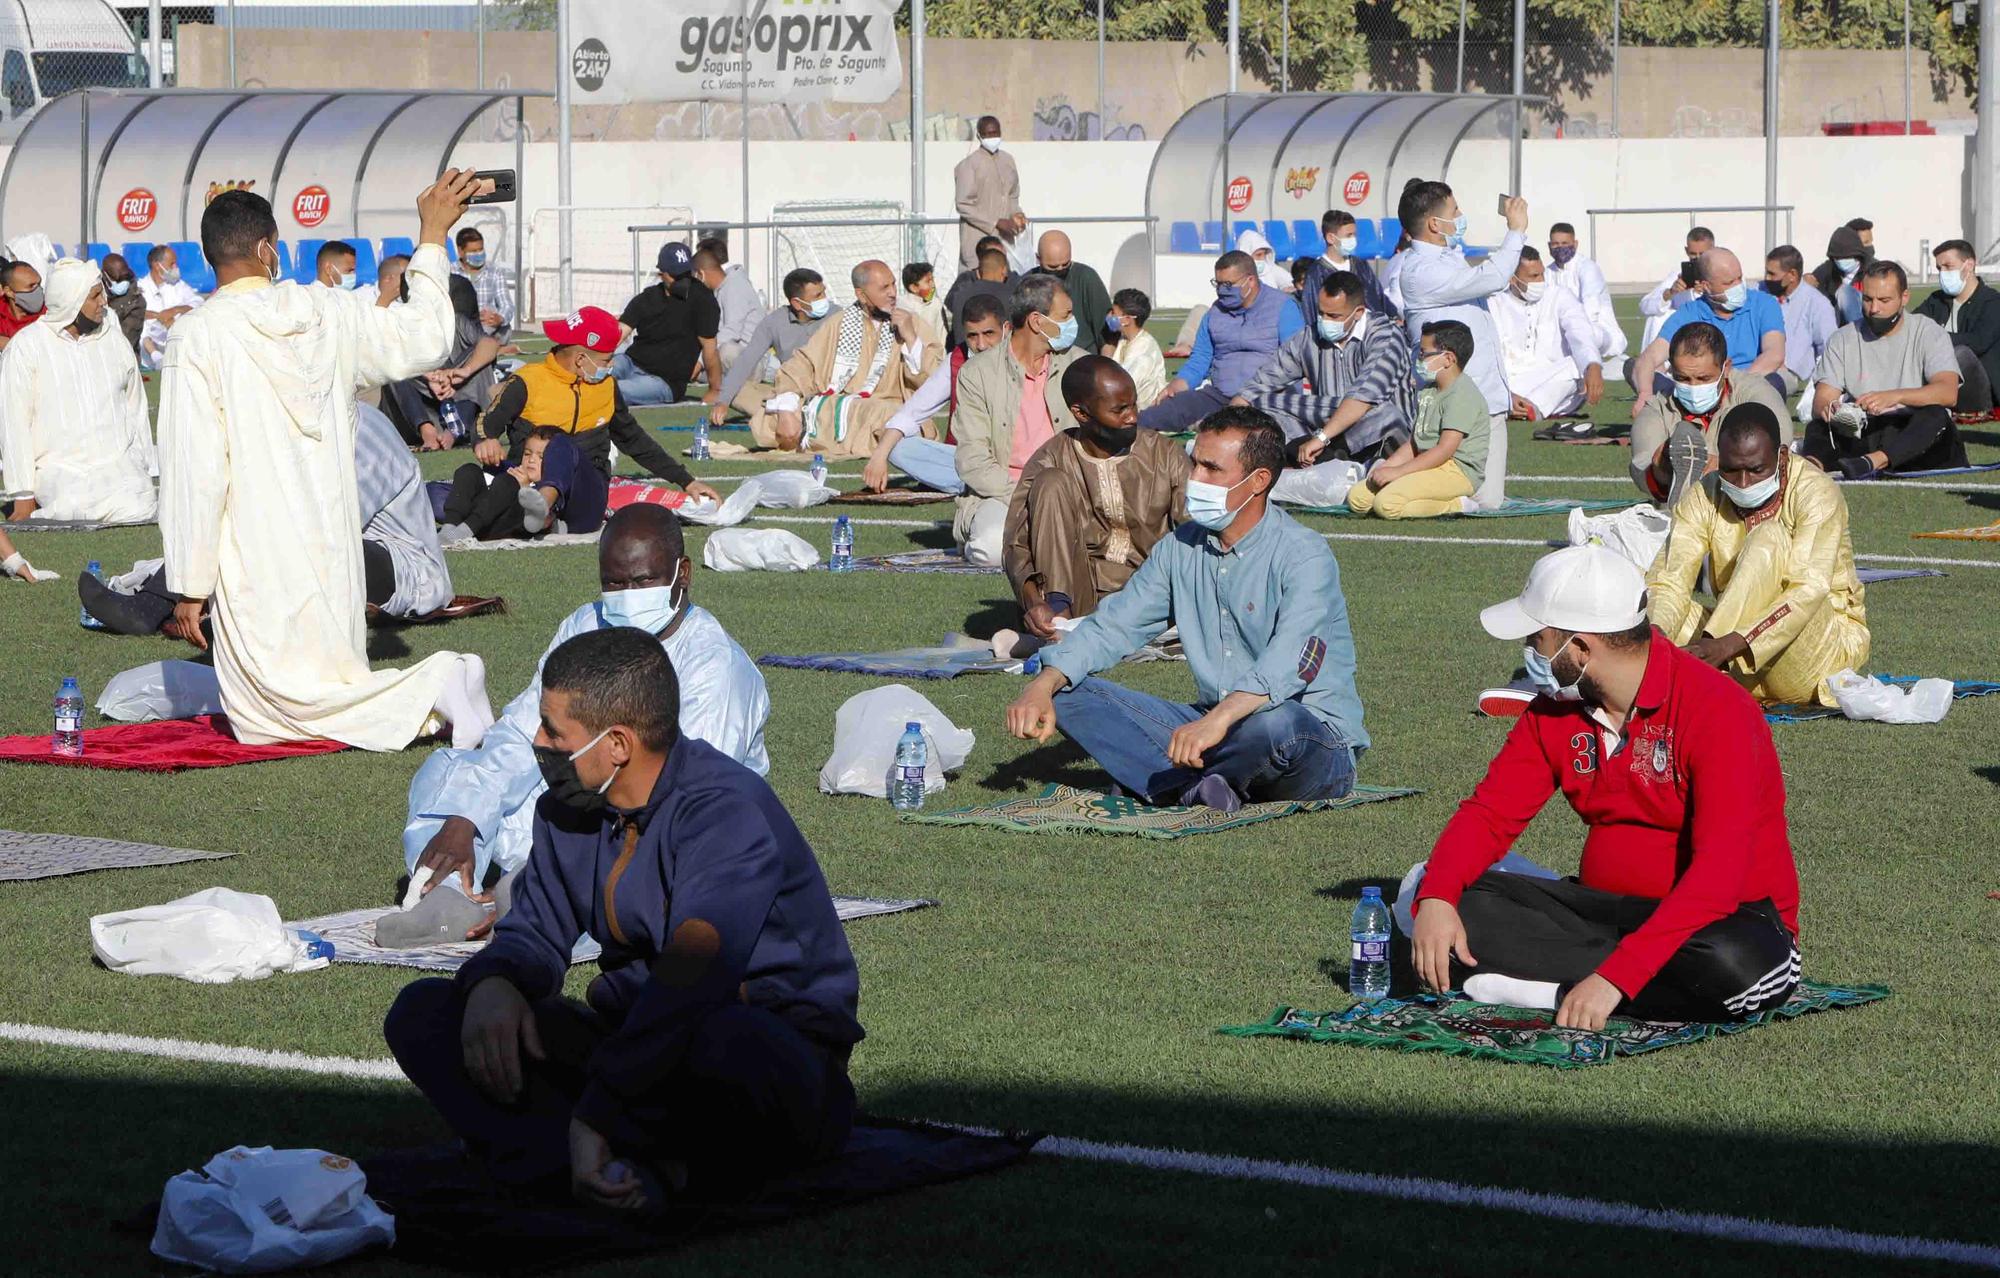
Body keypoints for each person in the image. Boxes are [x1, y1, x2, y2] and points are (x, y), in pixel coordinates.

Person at [383, 627, 858, 1207]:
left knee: (721, 1042)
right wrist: (495, 982)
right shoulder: (568, 810)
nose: (538, 741)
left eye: (554, 731)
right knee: (428, 1014)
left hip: (764, 1055)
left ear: (617, 744)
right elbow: (534, 928)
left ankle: (581, 1155)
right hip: (637, 1041)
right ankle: (601, 1166)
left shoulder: (725, 811)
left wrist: (602, 1106)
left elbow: (695, 973)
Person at [156, 175, 497, 750]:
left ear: (209, 253)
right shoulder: (328, 311)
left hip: (254, 551)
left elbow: (195, 469)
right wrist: (433, 236)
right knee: (329, 678)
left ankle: (436, 682)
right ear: (268, 247)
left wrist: (190, 583)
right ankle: (435, 688)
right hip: (333, 543)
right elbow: (426, 338)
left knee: (267, 716)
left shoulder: (198, 335)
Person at [1407, 543, 1802, 1029]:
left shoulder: (1719, 710)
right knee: (1441, 900)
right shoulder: (1554, 708)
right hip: (1603, 915)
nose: (1529, 651)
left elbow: (1717, 879)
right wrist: (1439, 896)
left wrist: (1617, 977)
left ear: (1580, 647)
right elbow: (1490, 814)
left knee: (1734, 964)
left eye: (1537, 638)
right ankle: (1591, 986)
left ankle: (1559, 989)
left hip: (1720, 923)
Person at [387, 506, 770, 946]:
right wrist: (466, 817)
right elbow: (523, 732)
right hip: (575, 804)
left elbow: (683, 797)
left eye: (643, 581)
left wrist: (556, 869)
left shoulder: (715, 668)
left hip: (656, 835)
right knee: (449, 772)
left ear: (682, 573)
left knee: (658, 865)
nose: (627, 594)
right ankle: (449, 896)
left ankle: (548, 904)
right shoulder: (585, 625)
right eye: (614, 583)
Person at [1005, 406, 1366, 812]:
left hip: (1311, 738)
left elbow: (1293, 660)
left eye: (1212, 469)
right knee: (1070, 692)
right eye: (1194, 464)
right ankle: (1200, 785)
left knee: (1278, 723)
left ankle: (1169, 782)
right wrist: (1044, 682)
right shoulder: (1181, 547)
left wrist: (1217, 721)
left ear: (1258, 481)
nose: (1194, 479)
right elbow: (1115, 626)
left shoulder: (1304, 554)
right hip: (1215, 726)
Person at [80, 401, 454, 634]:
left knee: (278, 537)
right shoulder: (311, 427)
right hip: (318, 551)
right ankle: (154, 602)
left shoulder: (366, 431)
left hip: (400, 567)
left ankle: (158, 606)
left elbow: (331, 528)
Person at [1648, 403, 1867, 708]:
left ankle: (1696, 673)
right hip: (1732, 654)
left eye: (1755, 470)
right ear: (1718, 459)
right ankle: (1663, 668)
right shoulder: (1704, 494)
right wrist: (1652, 641)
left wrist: (1726, 645)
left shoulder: (1816, 493)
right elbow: (1670, 580)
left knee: (1769, 536)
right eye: (1730, 470)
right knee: (1651, 615)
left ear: (1781, 456)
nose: (1742, 483)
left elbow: (1809, 589)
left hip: (1818, 654)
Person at [474, 307, 721, 532]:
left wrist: (686, 480)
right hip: (526, 485)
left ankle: (545, 506)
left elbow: (633, 439)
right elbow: (485, 423)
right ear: (581, 359)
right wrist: (486, 440)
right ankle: (534, 519)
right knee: (456, 487)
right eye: (606, 359)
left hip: (584, 499)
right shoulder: (528, 380)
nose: (611, 365)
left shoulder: (606, 387)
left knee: (560, 445)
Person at [1003, 356, 1189, 642]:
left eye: (1134, 404)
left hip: (1151, 591)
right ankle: (1058, 619)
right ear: (1081, 413)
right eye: (1120, 409)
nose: (1133, 416)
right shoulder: (1050, 458)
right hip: (1080, 592)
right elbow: (1016, 546)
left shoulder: (1164, 454)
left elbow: (1197, 528)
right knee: (1051, 482)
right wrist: (1034, 602)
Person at [1396, 181, 1528, 510]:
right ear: (1434, 224)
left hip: (1482, 396)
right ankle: (1381, 479)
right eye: (1455, 211)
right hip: (1456, 399)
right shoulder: (1421, 271)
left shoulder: (1445, 256)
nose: (1461, 216)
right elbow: (1493, 277)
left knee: (1488, 500)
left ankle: (1401, 481)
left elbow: (1488, 276)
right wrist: (1516, 231)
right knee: (1480, 502)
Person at [0, 258, 155, 525]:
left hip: (116, 463)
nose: (103, 302)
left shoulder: (114, 342)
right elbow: (14, 424)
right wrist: (23, 494)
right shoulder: (28, 346)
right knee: (72, 504)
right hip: (59, 467)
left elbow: (135, 409)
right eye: (95, 296)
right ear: (71, 299)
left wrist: (144, 466)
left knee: (140, 502)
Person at [951, 275, 1082, 566]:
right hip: (1001, 492)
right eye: (1066, 315)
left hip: (1069, 490)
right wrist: (1025, 494)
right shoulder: (977, 373)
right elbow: (972, 459)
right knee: (990, 548)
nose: (1073, 322)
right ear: (1037, 321)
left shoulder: (1079, 365)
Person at [756, 260, 941, 458]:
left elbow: (933, 378)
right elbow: (801, 365)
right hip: (836, 405)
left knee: (889, 416)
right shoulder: (839, 323)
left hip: (884, 407)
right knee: (770, 415)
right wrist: (785, 410)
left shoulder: (911, 323)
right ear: (861, 295)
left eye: (893, 284)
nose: (893, 293)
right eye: (884, 288)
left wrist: (911, 337)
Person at [1233, 268, 1413, 466]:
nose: (1325, 321)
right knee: (1261, 402)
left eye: (1334, 316)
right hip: (1327, 423)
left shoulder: (1385, 336)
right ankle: (1304, 456)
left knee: (1385, 412)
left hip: (1379, 429)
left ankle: (1327, 458)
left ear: (1358, 312)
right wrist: (1228, 422)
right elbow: (1263, 380)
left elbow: (1365, 396)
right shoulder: (1309, 337)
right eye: (1321, 313)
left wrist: (1321, 438)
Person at [1803, 260, 1963, 479]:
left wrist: (1894, 397)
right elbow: (1823, 399)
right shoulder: (1842, 338)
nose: (1874, 308)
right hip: (1864, 428)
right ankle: (1809, 470)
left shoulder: (1928, 332)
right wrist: (1831, 410)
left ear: (1904, 298)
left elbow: (1948, 393)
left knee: (1935, 416)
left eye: (1884, 300)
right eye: (1868, 299)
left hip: (1913, 430)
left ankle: (1875, 461)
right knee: (1818, 426)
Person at [1138, 249, 1304, 433]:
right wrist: (1178, 384)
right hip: (1218, 396)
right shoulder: (1214, 314)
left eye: (1228, 284)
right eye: (1217, 284)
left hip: (1269, 399)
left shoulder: (1284, 308)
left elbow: (1292, 362)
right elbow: (1200, 359)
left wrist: (1247, 396)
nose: (1221, 290)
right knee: (1155, 415)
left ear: (1250, 280)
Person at [861, 292, 1010, 495]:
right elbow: (913, 412)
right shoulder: (956, 360)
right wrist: (878, 456)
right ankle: (974, 485)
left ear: (1006, 329)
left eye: (989, 334)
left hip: (1014, 455)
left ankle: (986, 485)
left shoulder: (1023, 357)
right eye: (973, 336)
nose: (981, 345)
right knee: (897, 448)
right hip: (971, 459)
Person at [1629, 320, 1791, 506]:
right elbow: (1640, 467)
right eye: (1683, 378)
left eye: (1703, 378)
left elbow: (1781, 436)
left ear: (1726, 368)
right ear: (1671, 371)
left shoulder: (1752, 391)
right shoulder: (1656, 410)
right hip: (1682, 510)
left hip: (1745, 498)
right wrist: (1660, 467)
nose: (1693, 386)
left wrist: (1726, 463)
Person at [1347, 320, 1490, 519]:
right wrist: (1389, 466)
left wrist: (1399, 473)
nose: (1418, 358)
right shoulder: (1428, 389)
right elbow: (1416, 442)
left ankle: (1458, 504)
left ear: (1448, 358)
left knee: (1387, 504)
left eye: (1423, 353)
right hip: (1429, 462)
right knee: (1358, 499)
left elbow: (1444, 450)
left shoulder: (1462, 394)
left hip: (1456, 470)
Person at [1629, 248, 1787, 412]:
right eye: (1729, 283)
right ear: (1706, 286)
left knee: (1774, 383)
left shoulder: (1764, 304)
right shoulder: (1689, 313)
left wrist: (1732, 387)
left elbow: (1774, 354)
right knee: (1638, 370)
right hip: (1700, 390)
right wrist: (1645, 394)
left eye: (1739, 278)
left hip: (1747, 386)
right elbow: (1650, 357)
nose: (1738, 286)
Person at [383, 274, 502, 451]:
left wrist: (462, 373)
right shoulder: (401, 325)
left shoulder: (456, 322)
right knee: (392, 370)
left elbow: (490, 344)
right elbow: (384, 354)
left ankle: (454, 430)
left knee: (480, 362)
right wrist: (427, 375)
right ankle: (427, 431)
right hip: (419, 409)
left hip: (461, 403)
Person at [1488, 246, 1605, 423]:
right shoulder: (1494, 304)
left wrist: (1593, 365)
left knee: (1579, 365)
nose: (1541, 281)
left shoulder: (1559, 296)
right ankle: (1516, 405)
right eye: (1534, 277)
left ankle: (1527, 407)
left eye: (1542, 274)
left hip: (1552, 382)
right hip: (1510, 384)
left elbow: (1579, 331)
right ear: (1512, 279)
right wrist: (1504, 394)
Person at [709, 267, 835, 430]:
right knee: (737, 393)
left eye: (823, 293)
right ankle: (795, 415)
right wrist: (723, 401)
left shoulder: (837, 316)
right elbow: (746, 360)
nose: (824, 299)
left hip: (828, 390)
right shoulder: (774, 322)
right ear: (797, 303)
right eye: (818, 296)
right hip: (789, 392)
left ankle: (788, 416)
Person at [613, 242, 720, 409]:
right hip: (630, 363)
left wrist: (715, 389)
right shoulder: (648, 298)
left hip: (664, 382)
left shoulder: (703, 300)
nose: (683, 279)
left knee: (612, 391)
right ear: (661, 274)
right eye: (676, 275)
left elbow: (710, 348)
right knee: (590, 377)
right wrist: (597, 364)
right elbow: (618, 334)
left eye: (686, 273)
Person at [439, 426, 590, 543]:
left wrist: (524, 488)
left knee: (508, 483)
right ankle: (449, 528)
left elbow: (551, 516)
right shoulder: (513, 471)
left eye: (541, 457)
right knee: (469, 471)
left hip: (509, 525)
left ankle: (462, 532)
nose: (531, 460)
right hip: (483, 517)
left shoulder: (552, 489)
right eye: (527, 454)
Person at [1914, 239, 1999, 414]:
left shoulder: (1992, 302)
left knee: (1960, 353)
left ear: (1969, 265)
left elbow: (1979, 341)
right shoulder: (1936, 300)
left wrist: (1937, 338)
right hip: (1938, 378)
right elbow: (1913, 326)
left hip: (1980, 388)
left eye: (1948, 266)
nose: (1942, 273)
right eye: (1939, 268)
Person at [1545, 221, 1626, 373]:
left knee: (1581, 333)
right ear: (1549, 245)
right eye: (1555, 244)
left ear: (1575, 244)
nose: (1560, 247)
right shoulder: (1547, 272)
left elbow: (1590, 309)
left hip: (1600, 332)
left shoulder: (1587, 268)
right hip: (1565, 331)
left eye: (1565, 243)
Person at [1296, 208, 1396, 322]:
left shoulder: (1360, 265)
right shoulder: (1316, 273)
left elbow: (1379, 296)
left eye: (1354, 235)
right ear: (1330, 238)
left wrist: (1393, 315)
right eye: (1348, 235)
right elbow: (1310, 313)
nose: (1353, 239)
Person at [954, 114, 1026, 272]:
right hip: (978, 241)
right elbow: (963, 204)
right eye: (987, 134)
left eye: (995, 133)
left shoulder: (1008, 161)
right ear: (979, 135)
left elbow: (1012, 195)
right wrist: (996, 222)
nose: (992, 137)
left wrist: (1017, 215)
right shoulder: (969, 165)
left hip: (1005, 240)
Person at [1763, 245, 1837, 399]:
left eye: (1772, 274)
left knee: (1765, 386)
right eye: (1766, 273)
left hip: (1788, 373)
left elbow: (1828, 349)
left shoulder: (1817, 304)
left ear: (1792, 275)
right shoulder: (1760, 294)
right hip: (1758, 364)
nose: (1767, 279)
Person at [1031, 230, 1112, 351]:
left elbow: (1107, 335)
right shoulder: (1028, 284)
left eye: (1065, 265)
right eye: (1052, 267)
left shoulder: (1086, 278)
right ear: (1038, 259)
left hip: (1084, 360)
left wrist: (1104, 365)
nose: (1060, 270)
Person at [1636, 225, 1713, 351]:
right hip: (1684, 332)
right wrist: (1670, 293)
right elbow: (1645, 306)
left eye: (1702, 254)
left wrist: (1707, 293)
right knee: (1657, 316)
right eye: (1693, 254)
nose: (1698, 258)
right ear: (1687, 251)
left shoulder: (1722, 270)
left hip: (1711, 328)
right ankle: (1653, 363)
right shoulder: (1678, 274)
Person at [694, 235, 762, 371]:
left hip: (751, 360)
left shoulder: (735, 286)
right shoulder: (723, 287)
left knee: (727, 350)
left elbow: (732, 332)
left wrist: (700, 362)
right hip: (732, 358)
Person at [1105, 287, 1166, 407]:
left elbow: (1122, 388)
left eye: (1113, 312)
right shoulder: (1125, 340)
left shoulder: (1143, 354)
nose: (1109, 315)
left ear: (1127, 319)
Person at [943, 245, 1015, 347]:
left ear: (978, 273)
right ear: (1003, 270)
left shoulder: (960, 295)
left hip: (963, 357)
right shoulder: (1011, 296)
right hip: (999, 357)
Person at [453, 226, 513, 338]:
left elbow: (507, 304)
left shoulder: (495, 272)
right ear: (461, 252)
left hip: (488, 326)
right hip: (460, 326)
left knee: (503, 329)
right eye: (473, 251)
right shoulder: (451, 272)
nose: (478, 254)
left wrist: (499, 318)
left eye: (480, 249)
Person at [1809, 225, 1871, 328]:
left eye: (1846, 257)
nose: (1842, 261)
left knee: (1845, 292)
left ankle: (1859, 334)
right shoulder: (1827, 270)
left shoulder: (1872, 271)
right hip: (1834, 326)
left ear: (1858, 255)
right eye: (1838, 258)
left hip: (1864, 322)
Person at [101, 252, 144, 356]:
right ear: (106, 276)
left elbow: (126, 340)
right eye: (118, 278)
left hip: (123, 357)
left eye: (125, 277)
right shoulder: (95, 294)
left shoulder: (136, 301)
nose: (123, 282)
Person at [0, 258, 44, 351]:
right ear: (9, 292)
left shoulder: (49, 316)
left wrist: (11, 345)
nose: (38, 291)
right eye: (31, 286)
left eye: (39, 284)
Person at [1234, 227, 1296, 293]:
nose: (1263, 258)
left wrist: (1286, 289)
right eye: (1258, 255)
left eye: (1265, 254)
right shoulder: (1234, 275)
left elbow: (1290, 282)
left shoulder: (1270, 269)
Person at [900, 261, 945, 345]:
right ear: (914, 288)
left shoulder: (935, 304)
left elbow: (941, 334)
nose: (933, 285)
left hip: (932, 353)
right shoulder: (902, 305)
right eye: (928, 281)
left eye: (932, 280)